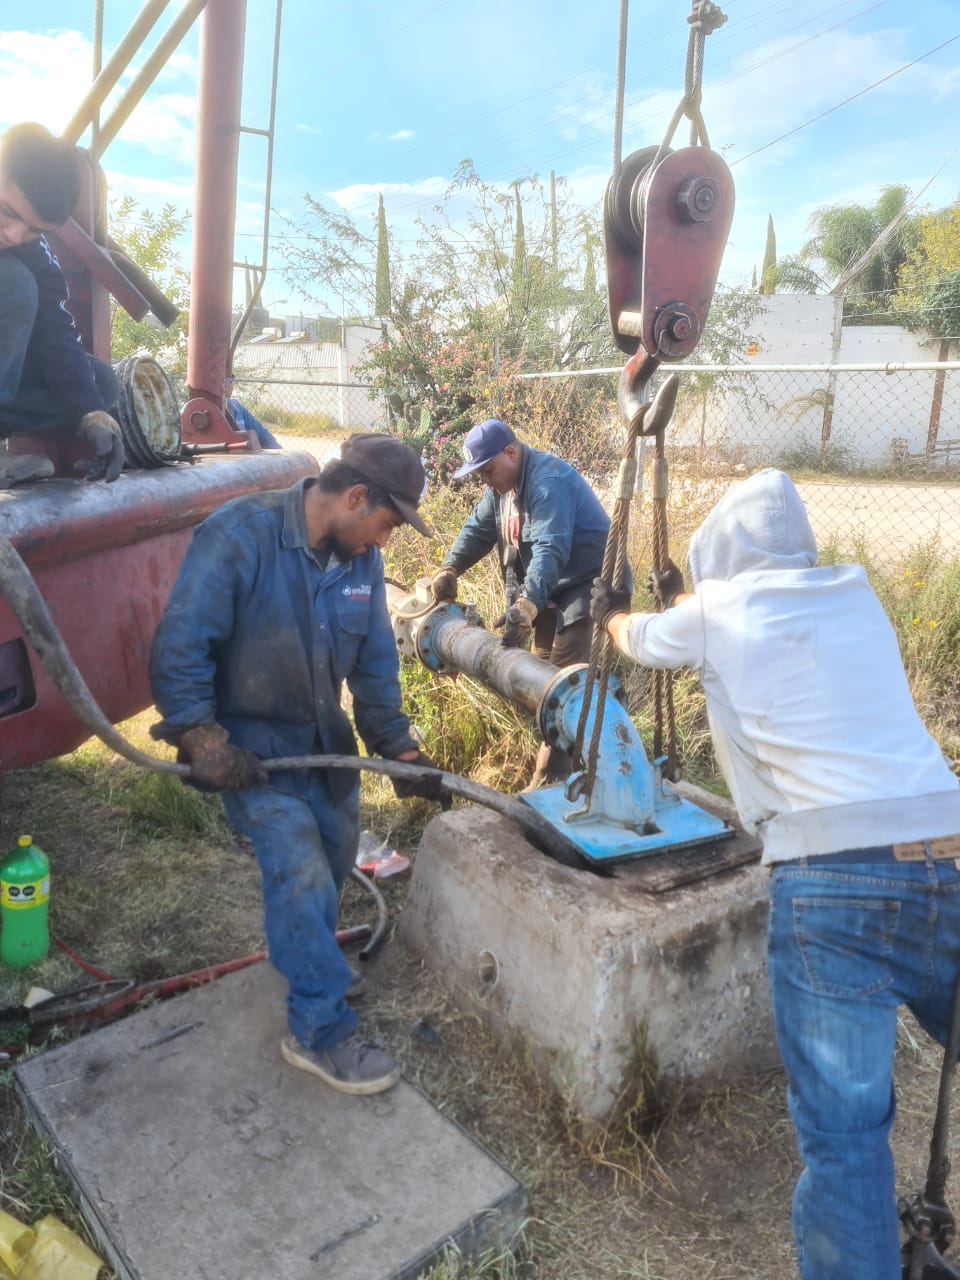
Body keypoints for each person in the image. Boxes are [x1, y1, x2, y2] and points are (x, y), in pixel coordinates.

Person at [590, 468, 960, 1280]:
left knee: (848, 1140)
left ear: (720, 559)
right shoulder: (855, 594)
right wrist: (694, 604)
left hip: (834, 877)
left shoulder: (717, 613)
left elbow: (643, 641)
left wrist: (617, 611)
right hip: (949, 846)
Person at [149, 433, 445, 1096]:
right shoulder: (239, 537)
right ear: (355, 497)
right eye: (386, 523)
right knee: (303, 870)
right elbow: (181, 643)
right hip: (247, 751)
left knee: (336, 851)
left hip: (323, 742)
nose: (385, 541)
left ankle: (314, 963)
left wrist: (400, 752)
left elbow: (373, 666)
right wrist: (202, 739)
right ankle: (318, 1030)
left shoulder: (357, 561)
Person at [433, 417, 620, 784]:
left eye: (487, 470)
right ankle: (556, 760)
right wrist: (450, 568)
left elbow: (551, 548)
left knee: (561, 689)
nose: (483, 479)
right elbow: (478, 529)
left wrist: (528, 603)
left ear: (510, 452)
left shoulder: (547, 482)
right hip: (550, 588)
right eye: (478, 473)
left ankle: (550, 781)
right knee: (534, 676)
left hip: (588, 588)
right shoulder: (501, 489)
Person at [0, 122, 123, 486]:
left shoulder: (33, 256)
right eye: (8, 211)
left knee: (99, 385)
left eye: (35, 230)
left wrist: (91, 414)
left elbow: (55, 334)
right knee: (13, 283)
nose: (14, 236)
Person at [225, 377, 282, 449]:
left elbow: (263, 436)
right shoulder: (210, 412)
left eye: (230, 380)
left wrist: (278, 455)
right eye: (222, 379)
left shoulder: (237, 407)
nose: (227, 384)